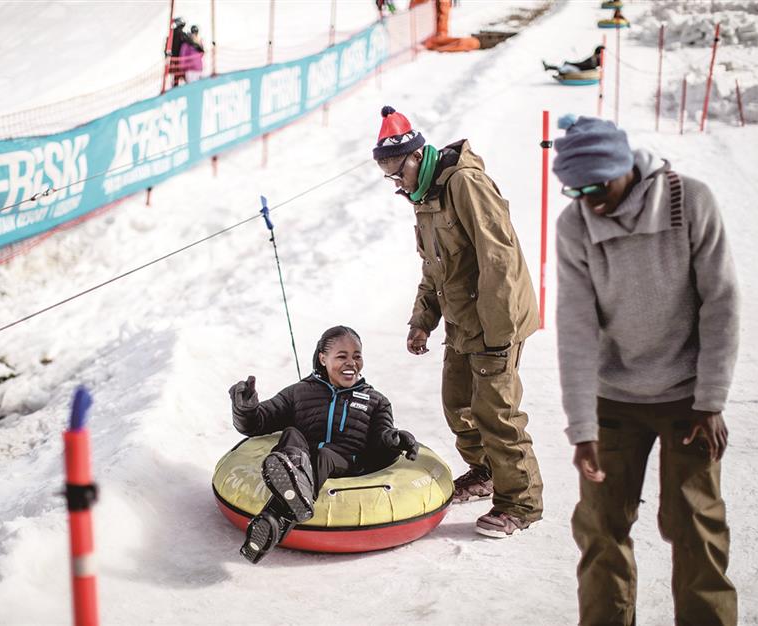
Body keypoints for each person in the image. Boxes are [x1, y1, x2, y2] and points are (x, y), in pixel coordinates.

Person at [552, 115, 739, 625]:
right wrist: (582, 429)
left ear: (624, 168)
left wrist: (711, 400)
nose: (590, 199)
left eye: (598, 185)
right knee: (600, 529)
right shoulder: (576, 224)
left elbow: (720, 302)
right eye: (576, 189)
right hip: (613, 401)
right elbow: (575, 329)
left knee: (695, 526)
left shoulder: (690, 202)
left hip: (687, 400)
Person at [372, 106, 543, 538]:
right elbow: (434, 267)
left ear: (416, 157)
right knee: (458, 405)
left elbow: (499, 257)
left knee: (496, 413)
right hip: (463, 320)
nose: (396, 183)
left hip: (494, 321)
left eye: (398, 172)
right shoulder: (424, 197)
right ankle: (485, 473)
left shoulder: (464, 183)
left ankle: (520, 504)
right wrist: (422, 320)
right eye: (389, 175)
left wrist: (498, 336)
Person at [228, 325, 419, 563]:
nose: (351, 363)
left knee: (324, 455)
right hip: (303, 460)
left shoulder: (375, 400)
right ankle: (284, 501)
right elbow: (258, 423)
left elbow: (381, 440)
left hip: (346, 463)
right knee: (291, 434)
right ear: (323, 358)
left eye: (357, 356)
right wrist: (244, 409)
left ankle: (277, 516)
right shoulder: (299, 392)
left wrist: (397, 439)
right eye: (342, 356)